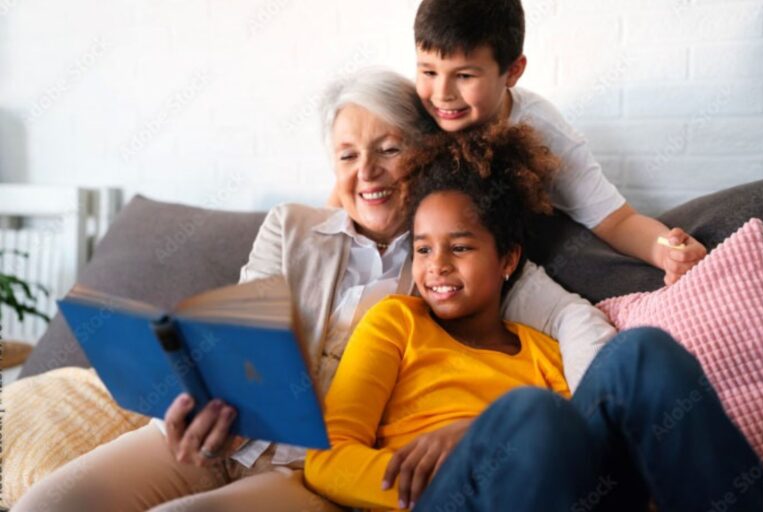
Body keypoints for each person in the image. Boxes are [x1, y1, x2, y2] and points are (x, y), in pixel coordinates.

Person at [13, 70, 615, 511]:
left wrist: (588, 422)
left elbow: (571, 319)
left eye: (388, 150)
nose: (367, 173)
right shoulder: (291, 227)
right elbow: (236, 333)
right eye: (348, 156)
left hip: (306, 471)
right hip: (219, 432)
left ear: (424, 153)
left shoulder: (456, 254)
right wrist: (191, 402)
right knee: (50, 504)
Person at [306, 125, 763, 511]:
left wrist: (484, 432)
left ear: (507, 259)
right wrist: (468, 459)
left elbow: (581, 457)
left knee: (642, 350)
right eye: (423, 248)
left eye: (460, 247)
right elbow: (326, 457)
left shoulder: (546, 353)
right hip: (445, 499)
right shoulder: (397, 323)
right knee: (531, 411)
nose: (437, 265)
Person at [411, 0, 708, 286]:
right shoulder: (408, 113)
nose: (442, 93)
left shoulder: (544, 130)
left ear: (513, 71)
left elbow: (618, 221)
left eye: (464, 75)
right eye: (428, 72)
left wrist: (666, 251)